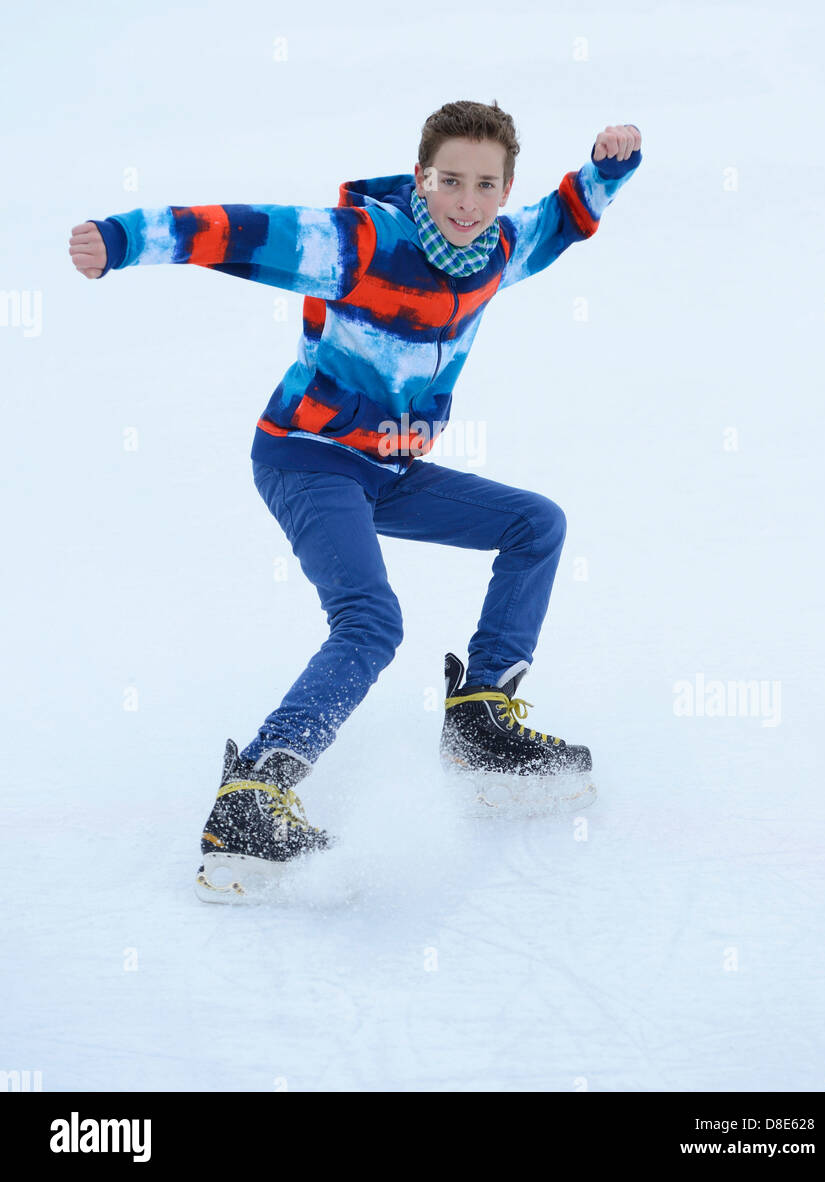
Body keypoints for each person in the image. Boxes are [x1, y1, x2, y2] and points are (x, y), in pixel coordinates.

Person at [70, 100, 642, 898]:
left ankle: (479, 720)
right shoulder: (364, 243)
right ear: (421, 179)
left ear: (504, 189)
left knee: (533, 524)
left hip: (389, 469)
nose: (466, 203)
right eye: (449, 181)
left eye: (485, 185)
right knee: (371, 622)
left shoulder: (498, 249)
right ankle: (254, 797)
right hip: (309, 457)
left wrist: (604, 171)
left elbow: (557, 223)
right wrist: (125, 240)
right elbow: (240, 231)